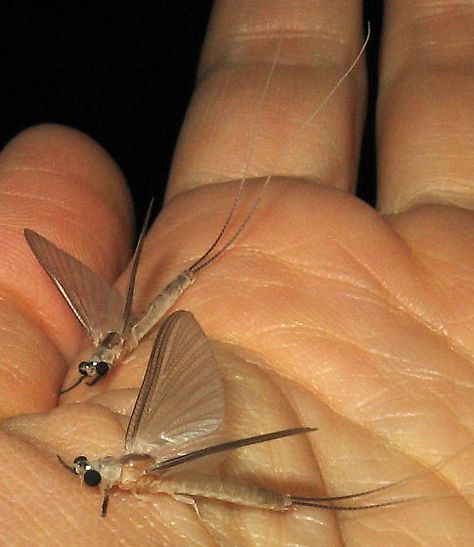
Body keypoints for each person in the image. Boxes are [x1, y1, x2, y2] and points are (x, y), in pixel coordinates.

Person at [1, 2, 472, 545]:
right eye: (89, 469)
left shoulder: (128, 452)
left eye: (91, 471)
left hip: (155, 374)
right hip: (177, 435)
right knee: (206, 487)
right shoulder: (133, 458)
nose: (92, 470)